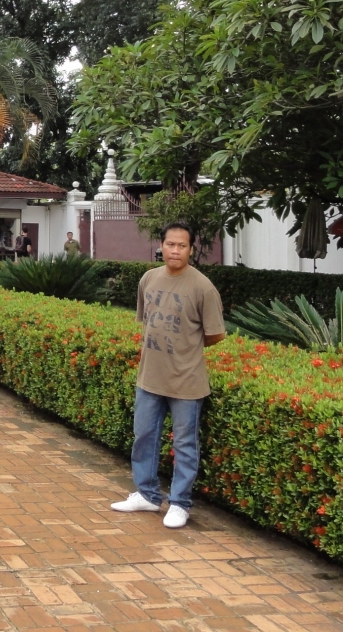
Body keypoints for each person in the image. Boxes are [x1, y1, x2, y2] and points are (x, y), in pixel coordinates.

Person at [110, 223, 225, 529]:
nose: (175, 250)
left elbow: (215, 334)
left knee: (185, 444)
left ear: (191, 250)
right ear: (161, 246)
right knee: (144, 437)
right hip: (149, 377)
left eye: (182, 246)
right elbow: (146, 320)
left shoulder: (203, 287)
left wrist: (187, 346)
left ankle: (179, 503)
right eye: (170, 244)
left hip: (187, 380)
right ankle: (147, 495)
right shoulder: (148, 279)